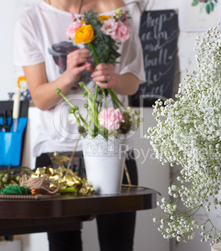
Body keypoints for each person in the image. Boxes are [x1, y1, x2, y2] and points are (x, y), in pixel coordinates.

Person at [13, 0, 146, 250]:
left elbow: (134, 82)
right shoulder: (31, 21)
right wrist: (68, 77)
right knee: (63, 245)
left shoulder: (115, 9)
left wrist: (114, 79)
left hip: (113, 147)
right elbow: (40, 98)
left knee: (118, 244)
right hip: (55, 152)